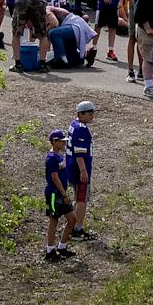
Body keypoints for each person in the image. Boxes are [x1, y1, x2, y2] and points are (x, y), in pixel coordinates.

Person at [42, 129, 76, 260]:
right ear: (54, 142)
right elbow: (54, 177)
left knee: (72, 219)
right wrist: (63, 193)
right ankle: (50, 250)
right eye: (61, 141)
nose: (63, 143)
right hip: (54, 194)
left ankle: (62, 246)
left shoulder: (59, 155)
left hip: (61, 193)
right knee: (54, 220)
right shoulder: (51, 158)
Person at [68, 99, 95, 239]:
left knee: (77, 198)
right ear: (80, 113)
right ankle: (77, 229)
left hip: (72, 168)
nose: (91, 116)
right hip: (79, 170)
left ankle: (71, 225)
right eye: (89, 113)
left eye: (92, 113)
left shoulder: (74, 124)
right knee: (82, 199)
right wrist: (83, 171)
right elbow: (79, 153)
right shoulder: (81, 129)